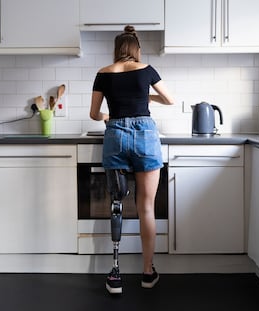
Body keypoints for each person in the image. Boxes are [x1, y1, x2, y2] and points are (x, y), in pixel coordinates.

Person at [90, 25, 174, 294]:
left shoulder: (103, 73)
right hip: (146, 136)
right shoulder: (147, 70)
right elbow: (169, 100)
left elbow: (94, 114)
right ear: (136, 49)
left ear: (116, 49)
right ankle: (147, 272)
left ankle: (115, 272)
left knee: (116, 204)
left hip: (116, 136)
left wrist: (109, 117)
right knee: (146, 208)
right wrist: (143, 95)